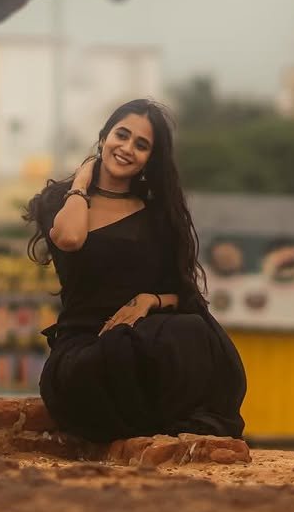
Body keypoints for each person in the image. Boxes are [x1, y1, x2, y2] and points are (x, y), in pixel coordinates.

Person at [24, 98, 246, 444]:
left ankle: (167, 431)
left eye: (141, 145)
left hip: (142, 336)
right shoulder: (63, 199)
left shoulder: (157, 215)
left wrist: (148, 300)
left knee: (193, 329)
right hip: (85, 351)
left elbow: (183, 294)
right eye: (121, 135)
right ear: (104, 137)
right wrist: (82, 181)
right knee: (119, 349)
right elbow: (69, 238)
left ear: (150, 159)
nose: (127, 148)